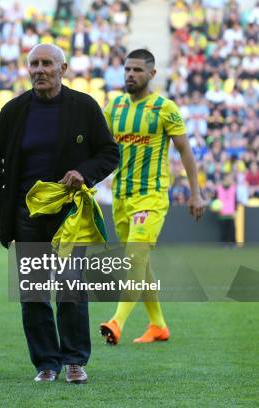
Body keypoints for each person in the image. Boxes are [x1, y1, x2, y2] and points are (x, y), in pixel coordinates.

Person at [0, 44, 119, 384]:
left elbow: (109, 152)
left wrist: (84, 173)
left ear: (63, 68)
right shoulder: (14, 111)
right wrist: (5, 210)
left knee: (71, 290)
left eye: (47, 64)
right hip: (27, 217)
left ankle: (74, 360)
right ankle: (46, 363)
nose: (39, 70)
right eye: (34, 64)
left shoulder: (84, 106)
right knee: (34, 294)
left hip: (69, 215)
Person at [99, 49, 204, 345]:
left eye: (137, 70)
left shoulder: (164, 108)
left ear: (152, 74)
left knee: (134, 258)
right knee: (140, 264)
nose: (131, 74)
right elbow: (99, 145)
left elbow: (185, 150)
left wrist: (195, 193)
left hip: (151, 197)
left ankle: (116, 322)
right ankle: (158, 325)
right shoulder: (115, 106)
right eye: (127, 69)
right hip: (120, 197)